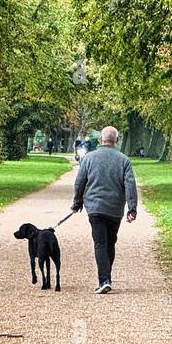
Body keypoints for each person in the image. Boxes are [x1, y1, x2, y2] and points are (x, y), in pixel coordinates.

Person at [71, 125, 137, 294]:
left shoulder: (89, 158)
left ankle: (104, 280)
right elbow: (130, 185)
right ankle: (106, 278)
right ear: (117, 140)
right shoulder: (123, 160)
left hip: (95, 207)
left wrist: (77, 202)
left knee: (100, 243)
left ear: (101, 140)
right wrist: (132, 208)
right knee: (110, 242)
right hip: (115, 209)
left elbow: (80, 182)